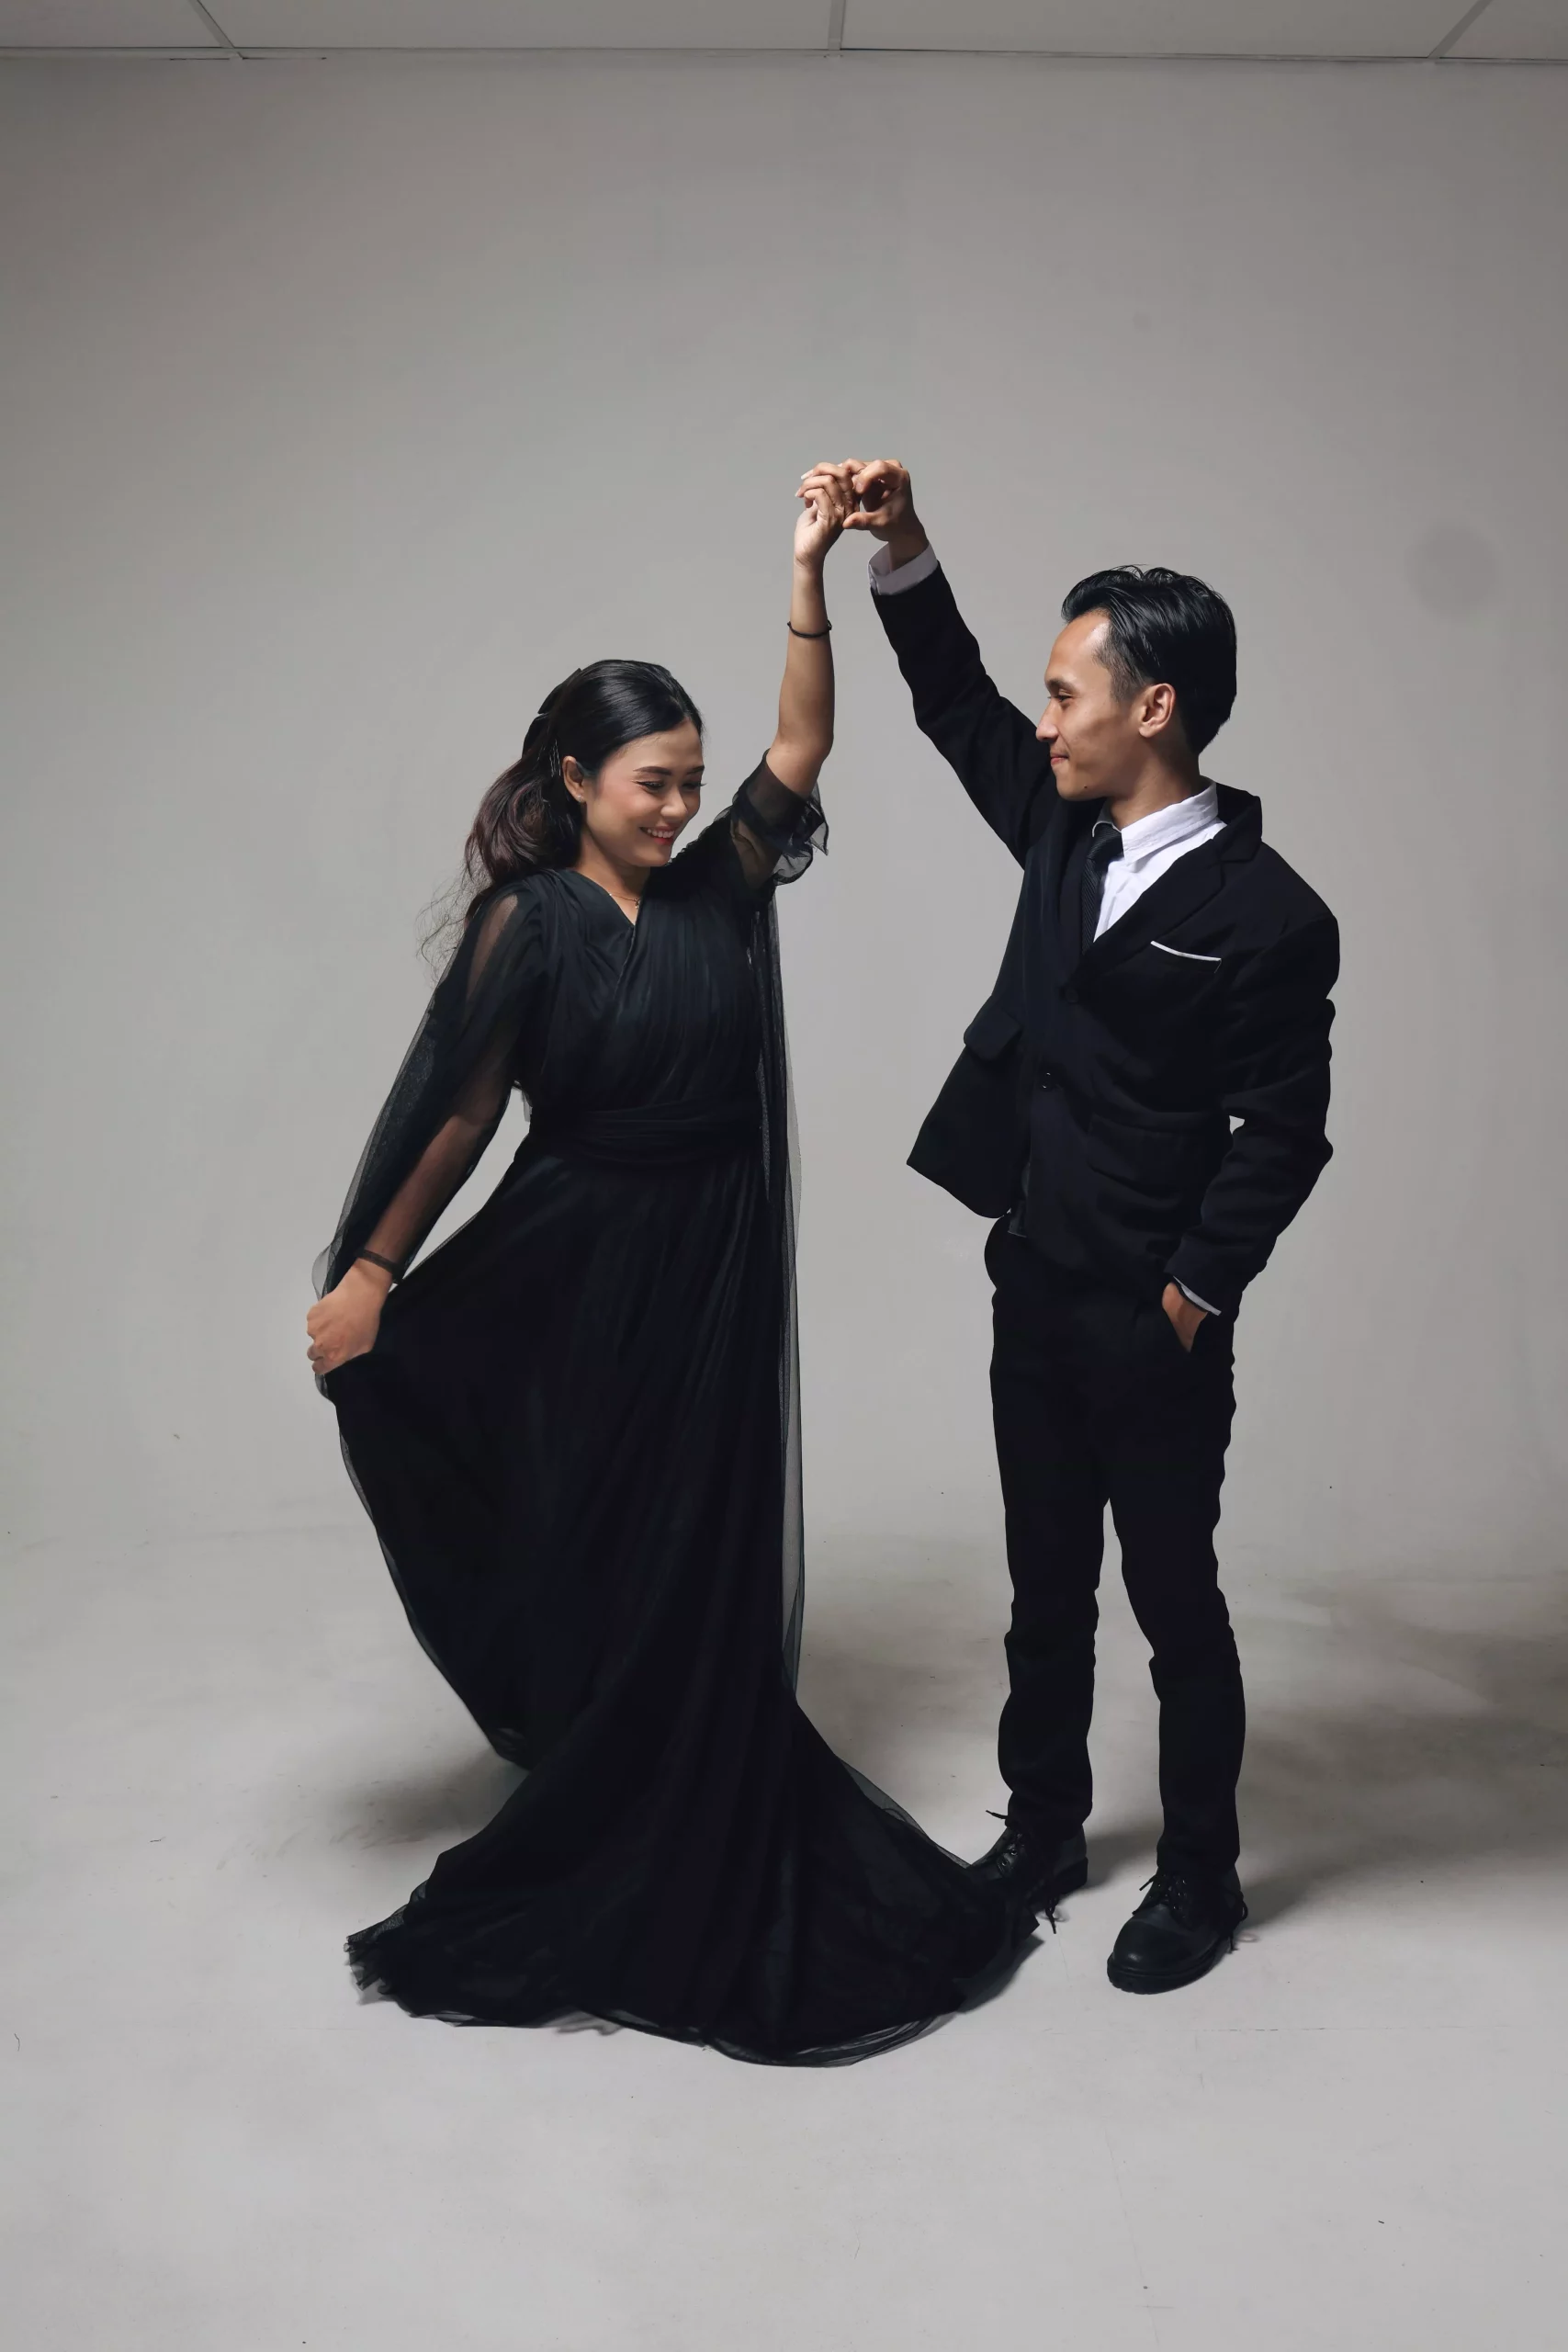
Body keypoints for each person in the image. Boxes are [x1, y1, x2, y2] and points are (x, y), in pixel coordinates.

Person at [304, 469, 1027, 2062]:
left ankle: (688, 1767)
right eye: (650, 781)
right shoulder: (528, 923)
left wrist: (806, 578)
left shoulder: (720, 888)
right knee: (599, 1523)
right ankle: (602, 1766)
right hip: (575, 1264)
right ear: (573, 778)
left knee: (703, 1530)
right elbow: (461, 1112)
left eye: (690, 780)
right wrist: (372, 1271)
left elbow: (802, 748)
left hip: (711, 1266)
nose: (677, 806)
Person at [803, 456, 1339, 1995]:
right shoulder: (1058, 829)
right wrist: (899, 544)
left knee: (1174, 1607)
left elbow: (1283, 1133)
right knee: (1044, 1597)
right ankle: (1041, 1831)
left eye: (1066, 695)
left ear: (1151, 707)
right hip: (1030, 1283)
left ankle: (1200, 1876)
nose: (1042, 722)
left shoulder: (1270, 914)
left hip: (1151, 1318)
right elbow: (949, 697)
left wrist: (1190, 1295)